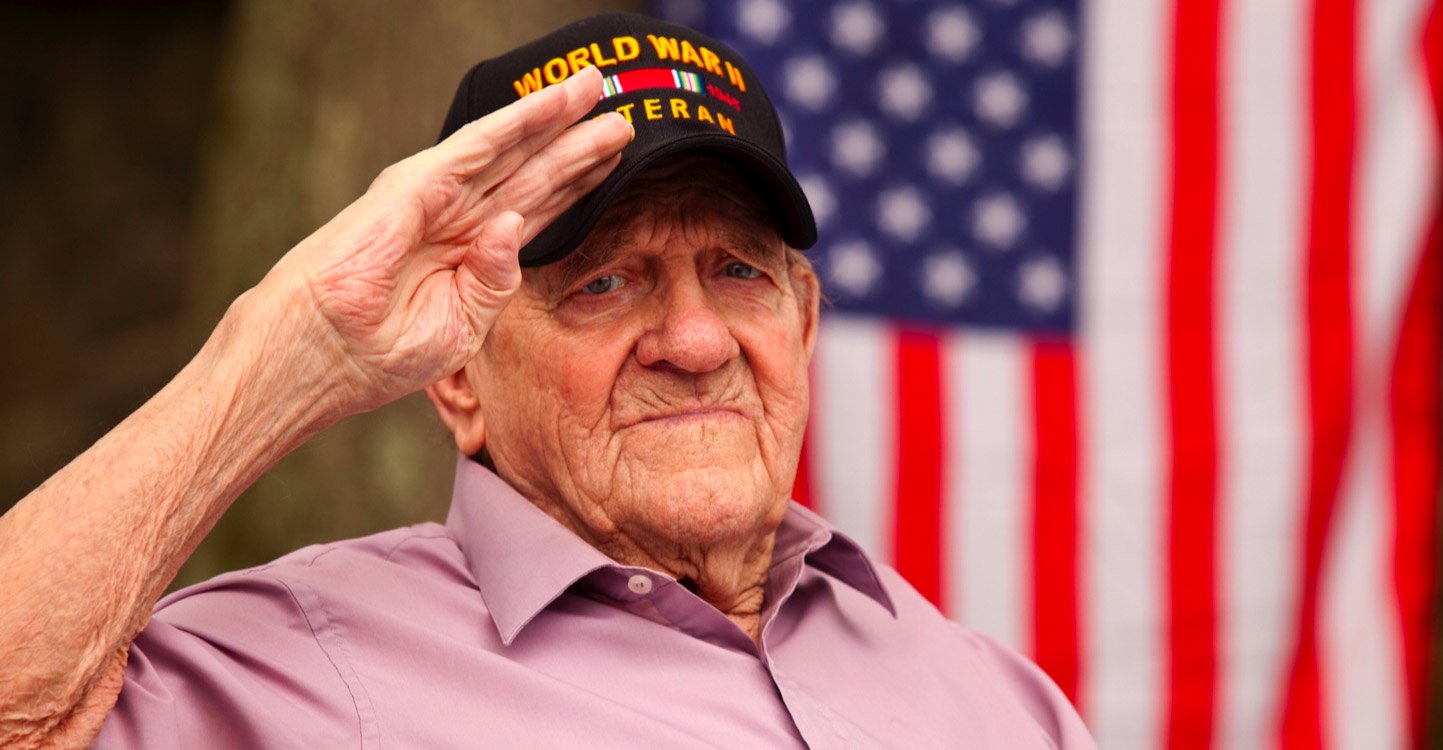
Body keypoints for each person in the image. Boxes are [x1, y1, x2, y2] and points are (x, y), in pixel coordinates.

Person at [0, 13, 1094, 749]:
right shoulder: (301, 669)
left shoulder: (999, 701)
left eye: (739, 272)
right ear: (458, 374)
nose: (697, 340)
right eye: (606, 281)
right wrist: (296, 346)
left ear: (803, 325)